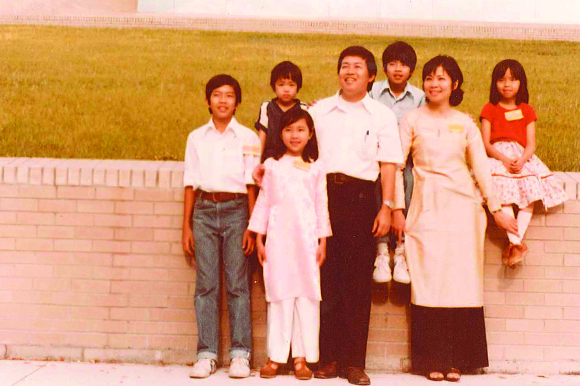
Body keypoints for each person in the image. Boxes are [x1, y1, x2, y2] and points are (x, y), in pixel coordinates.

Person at [394, 56, 518, 382]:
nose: (435, 84)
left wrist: (497, 209)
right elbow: (395, 166)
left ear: (455, 84)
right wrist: (396, 208)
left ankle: (457, 361)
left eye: (442, 78)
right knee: (429, 285)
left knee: (461, 283)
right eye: (430, 78)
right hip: (426, 210)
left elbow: (481, 169)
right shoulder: (411, 120)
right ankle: (432, 360)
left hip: (464, 211)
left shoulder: (465, 124)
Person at [310, 46, 403, 385]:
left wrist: (386, 206)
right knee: (327, 280)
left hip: (363, 200)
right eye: (344, 66)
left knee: (357, 283)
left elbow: (389, 163)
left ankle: (354, 363)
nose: (349, 71)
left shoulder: (380, 115)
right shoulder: (320, 111)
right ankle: (329, 358)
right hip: (324, 197)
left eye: (357, 67)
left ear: (371, 75)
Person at [182, 74, 259, 379]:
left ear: (237, 102)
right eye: (217, 94)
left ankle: (241, 354)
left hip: (237, 211)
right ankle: (206, 353)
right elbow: (189, 182)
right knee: (206, 284)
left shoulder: (248, 138)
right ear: (208, 100)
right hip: (203, 211)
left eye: (229, 95)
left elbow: (252, 184)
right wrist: (185, 227)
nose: (223, 100)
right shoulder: (196, 137)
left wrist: (252, 226)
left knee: (238, 284)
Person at [248, 109, 332, 380]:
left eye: (300, 130)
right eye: (288, 130)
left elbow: (322, 206)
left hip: (307, 243)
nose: (294, 136)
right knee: (279, 296)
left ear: (310, 134)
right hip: (278, 241)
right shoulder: (272, 166)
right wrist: (259, 238)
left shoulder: (317, 167)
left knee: (306, 298)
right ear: (280, 134)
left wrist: (322, 241)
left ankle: (301, 358)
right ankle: (275, 357)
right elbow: (264, 203)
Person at [480, 59, 567, 268]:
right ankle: (516, 243)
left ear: (521, 83)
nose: (507, 85)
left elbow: (531, 143)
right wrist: (504, 159)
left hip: (521, 156)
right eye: (501, 80)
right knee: (504, 194)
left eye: (512, 79)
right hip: (497, 156)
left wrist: (522, 159)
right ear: (495, 83)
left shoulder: (527, 110)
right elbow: (485, 142)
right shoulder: (489, 109)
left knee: (531, 193)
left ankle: (515, 244)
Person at [369, 41, 426, 284]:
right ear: (384, 68)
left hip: (406, 157)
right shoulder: (373, 92)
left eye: (403, 64)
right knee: (377, 179)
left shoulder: (419, 97)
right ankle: (382, 251)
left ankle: (401, 251)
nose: (398, 69)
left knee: (411, 178)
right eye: (392, 64)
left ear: (412, 70)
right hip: (377, 156)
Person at [256, 61, 308, 163]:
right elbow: (262, 137)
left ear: (298, 87)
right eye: (281, 85)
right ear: (273, 86)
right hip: (270, 159)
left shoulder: (303, 108)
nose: (286, 89)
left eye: (291, 85)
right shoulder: (267, 107)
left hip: (295, 160)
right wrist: (258, 162)